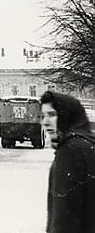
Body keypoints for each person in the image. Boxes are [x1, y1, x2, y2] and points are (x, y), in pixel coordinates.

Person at [41, 91, 95, 233]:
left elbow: (64, 217)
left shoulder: (69, 151)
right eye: (43, 116)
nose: (45, 122)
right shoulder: (88, 145)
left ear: (67, 116)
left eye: (52, 115)